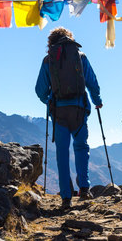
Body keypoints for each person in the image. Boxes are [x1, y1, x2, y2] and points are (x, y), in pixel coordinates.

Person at [35, 27, 103, 209]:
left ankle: (66, 196)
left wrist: (49, 100)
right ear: (70, 40)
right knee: (81, 147)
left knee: (62, 154)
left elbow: (39, 90)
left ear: (51, 42)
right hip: (79, 110)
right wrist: (97, 101)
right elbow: (92, 82)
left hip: (59, 112)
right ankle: (84, 188)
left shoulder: (48, 60)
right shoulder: (80, 56)